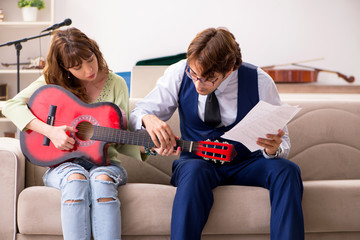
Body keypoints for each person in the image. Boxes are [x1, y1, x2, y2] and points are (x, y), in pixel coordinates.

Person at [130, 27, 304, 240]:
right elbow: (138, 113)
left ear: (229, 69)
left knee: (287, 171)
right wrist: (148, 119)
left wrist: (274, 149)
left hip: (247, 163)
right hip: (197, 162)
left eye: (208, 78)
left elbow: (283, 140)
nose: (197, 84)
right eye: (193, 74)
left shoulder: (259, 81)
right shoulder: (178, 72)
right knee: (193, 172)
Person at [3, 27, 146, 240]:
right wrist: (50, 131)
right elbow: (11, 105)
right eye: (77, 67)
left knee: (102, 179)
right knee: (76, 179)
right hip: (62, 165)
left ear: (94, 50)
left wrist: (145, 145)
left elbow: (120, 137)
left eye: (90, 59)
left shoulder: (116, 83)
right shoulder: (53, 81)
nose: (89, 69)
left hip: (105, 163)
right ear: (65, 68)